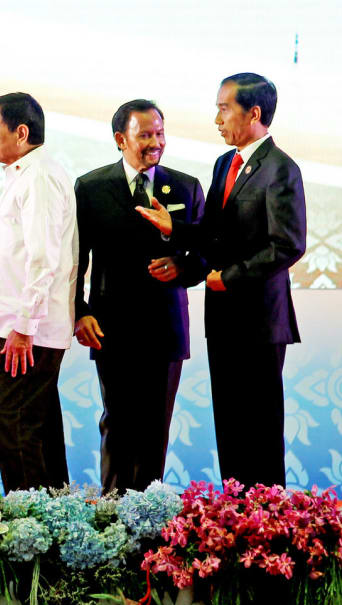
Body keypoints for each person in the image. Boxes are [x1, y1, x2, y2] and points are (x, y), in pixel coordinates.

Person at [137, 74, 306, 487]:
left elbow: (287, 245)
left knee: (260, 435)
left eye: (223, 108)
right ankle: (234, 523)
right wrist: (173, 227)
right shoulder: (224, 163)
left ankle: (267, 532)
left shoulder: (280, 169)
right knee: (230, 431)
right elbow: (214, 233)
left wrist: (228, 277)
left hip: (261, 324)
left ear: (254, 113)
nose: (216, 119)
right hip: (225, 320)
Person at [74, 99, 206, 494]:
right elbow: (75, 261)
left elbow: (203, 257)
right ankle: (112, 518)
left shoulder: (185, 186)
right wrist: (79, 312)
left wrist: (182, 268)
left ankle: (151, 526)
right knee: (117, 424)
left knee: (154, 429)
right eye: (145, 135)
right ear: (120, 138)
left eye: (160, 134)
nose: (155, 143)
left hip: (165, 329)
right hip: (110, 328)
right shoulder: (91, 187)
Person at [0, 93, 77, 493]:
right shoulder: (27, 174)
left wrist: (25, 326)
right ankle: (54, 527)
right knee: (36, 427)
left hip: (30, 333)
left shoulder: (39, 177)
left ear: (21, 132)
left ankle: (29, 530)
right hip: (27, 329)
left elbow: (43, 257)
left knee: (14, 423)